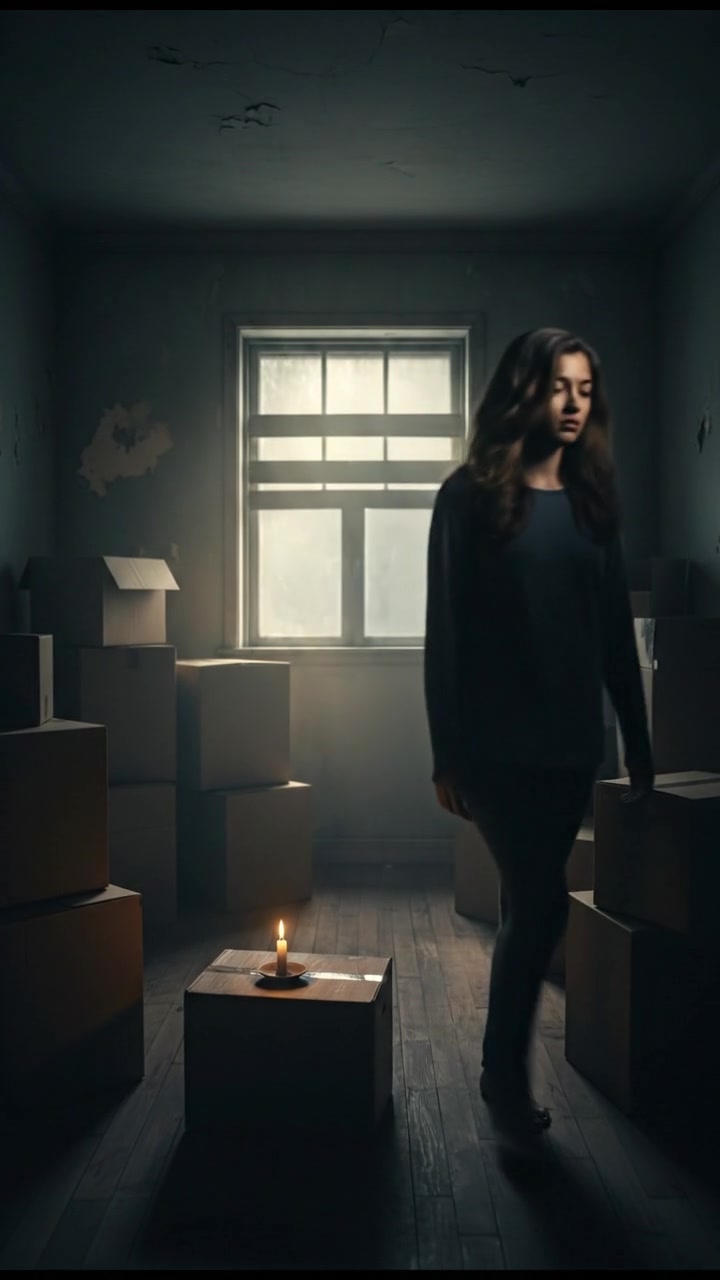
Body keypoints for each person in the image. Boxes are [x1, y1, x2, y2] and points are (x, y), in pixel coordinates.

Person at [423, 327, 654, 1157]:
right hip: (491, 751)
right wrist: (445, 749)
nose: (572, 403)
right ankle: (504, 1078)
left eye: (586, 390)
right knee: (545, 901)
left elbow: (614, 641)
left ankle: (499, 1072)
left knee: (529, 902)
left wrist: (638, 739)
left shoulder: (593, 507)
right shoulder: (466, 497)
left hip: (567, 747)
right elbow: (442, 633)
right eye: (558, 385)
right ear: (522, 390)